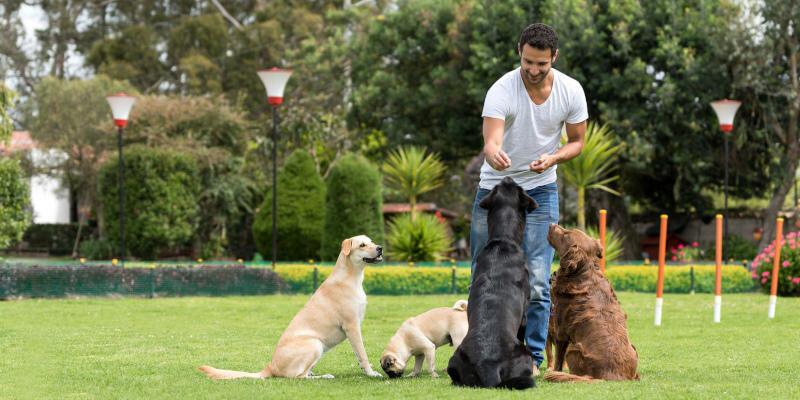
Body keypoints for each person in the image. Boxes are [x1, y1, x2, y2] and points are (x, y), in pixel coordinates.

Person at [469, 22, 588, 375]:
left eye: (542, 64)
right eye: (527, 62)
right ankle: (479, 350)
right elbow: (492, 139)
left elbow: (577, 141)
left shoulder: (571, 90)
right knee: (483, 273)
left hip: (540, 191)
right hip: (495, 192)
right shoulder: (502, 89)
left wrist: (554, 158)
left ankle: (533, 359)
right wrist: (493, 153)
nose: (534, 71)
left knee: (537, 279)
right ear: (519, 53)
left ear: (554, 57)